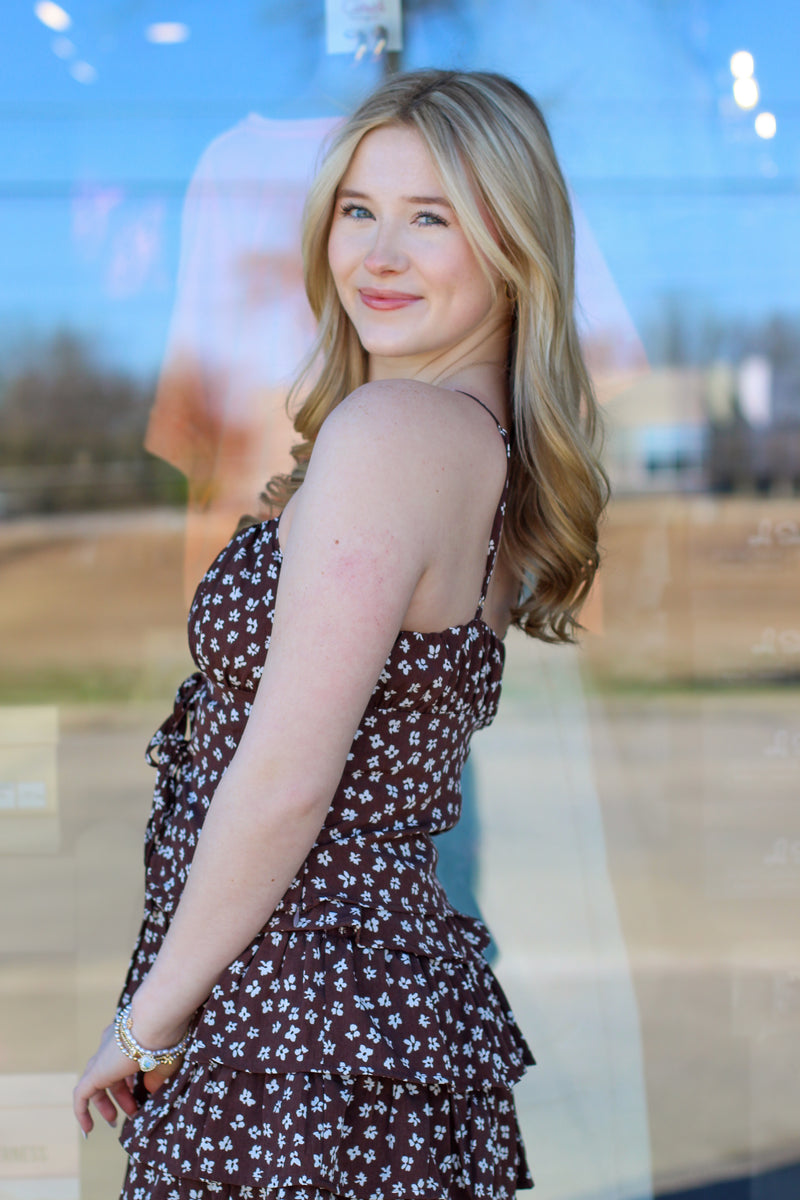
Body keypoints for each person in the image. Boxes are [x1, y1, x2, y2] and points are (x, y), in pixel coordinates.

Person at [74, 69, 608, 1200]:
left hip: (294, 1022)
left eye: (433, 217)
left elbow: (284, 778)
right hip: (361, 1018)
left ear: (512, 244)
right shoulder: (475, 444)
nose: (379, 253)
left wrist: (147, 1022)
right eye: (358, 211)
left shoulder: (393, 432)